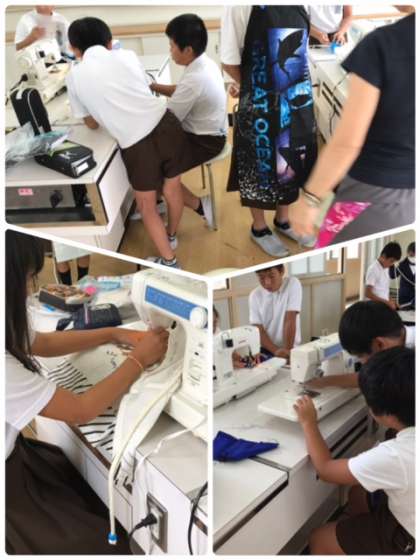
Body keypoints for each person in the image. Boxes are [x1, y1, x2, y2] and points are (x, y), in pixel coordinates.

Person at [6, 230, 169, 553]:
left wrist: (113, 333)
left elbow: (41, 342)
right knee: (101, 539)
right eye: (27, 278)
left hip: (16, 461)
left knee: (80, 490)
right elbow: (81, 410)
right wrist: (138, 360)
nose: (29, 290)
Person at [66, 17, 192, 268]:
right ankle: (171, 235)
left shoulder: (74, 76)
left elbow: (91, 124)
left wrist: (105, 109)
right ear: (109, 42)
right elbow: (145, 89)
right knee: (172, 189)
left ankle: (169, 261)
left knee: (146, 206)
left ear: (74, 49)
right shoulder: (128, 56)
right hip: (168, 125)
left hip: (137, 145)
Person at [290, 8, 415, 244]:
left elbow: (347, 143)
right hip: (407, 194)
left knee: (329, 243)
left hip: (374, 191)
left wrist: (310, 198)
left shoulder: (385, 44)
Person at [295, 347, 415, 554]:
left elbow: (325, 470)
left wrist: (308, 423)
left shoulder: (396, 455)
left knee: (319, 538)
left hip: (410, 536)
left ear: (383, 414)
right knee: (357, 493)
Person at [221, 6, 318, 258]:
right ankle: (259, 228)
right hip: (260, 99)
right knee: (259, 162)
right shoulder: (239, 6)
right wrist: (251, 87)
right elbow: (229, 61)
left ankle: (283, 220)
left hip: (295, 97)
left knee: (290, 159)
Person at [151, 14, 227, 231]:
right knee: (150, 154)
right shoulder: (204, 63)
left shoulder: (195, 78)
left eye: (172, 46)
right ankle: (160, 200)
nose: (170, 51)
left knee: (152, 169)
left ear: (187, 50)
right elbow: (182, 91)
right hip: (206, 131)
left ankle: (201, 206)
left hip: (205, 141)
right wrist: (154, 87)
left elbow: (169, 120)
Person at [306, 300, 415, 391]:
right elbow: (372, 377)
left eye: (360, 356)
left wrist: (325, 382)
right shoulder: (396, 349)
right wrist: (325, 381)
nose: (363, 363)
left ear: (379, 344)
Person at [249, 264, 302, 359]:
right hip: (267, 349)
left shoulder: (292, 284)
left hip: (291, 348)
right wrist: (276, 351)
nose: (267, 283)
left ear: (282, 271)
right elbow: (259, 330)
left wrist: (287, 352)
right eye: (261, 277)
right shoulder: (255, 295)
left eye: (271, 276)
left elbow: (290, 320)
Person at [365, 242, 401, 309]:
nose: (392, 264)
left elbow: (384, 290)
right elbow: (368, 293)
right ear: (383, 256)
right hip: (373, 307)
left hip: (383, 306)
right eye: (391, 261)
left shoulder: (386, 268)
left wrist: (392, 301)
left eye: (394, 262)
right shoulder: (373, 269)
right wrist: (387, 302)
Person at [391, 242, 415, 310]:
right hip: (404, 298)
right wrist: (392, 265)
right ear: (408, 252)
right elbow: (392, 275)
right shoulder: (401, 264)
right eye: (411, 255)